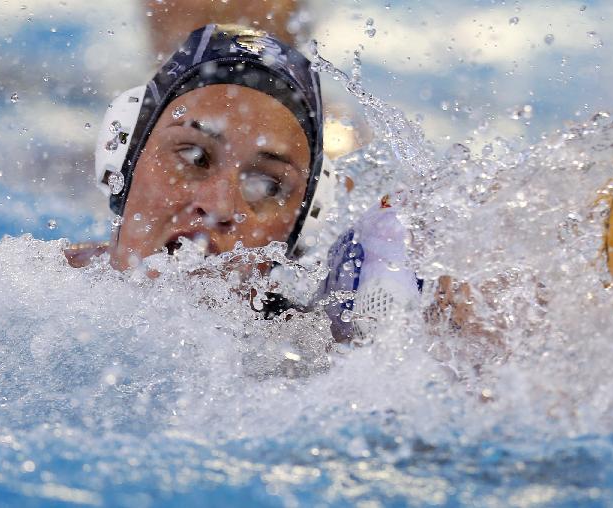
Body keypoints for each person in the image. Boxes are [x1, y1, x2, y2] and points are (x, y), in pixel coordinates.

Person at [65, 24, 462, 343]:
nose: (219, 205)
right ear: (121, 162)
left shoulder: (311, 357)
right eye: (193, 157)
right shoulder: (31, 296)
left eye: (268, 186)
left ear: (301, 228)